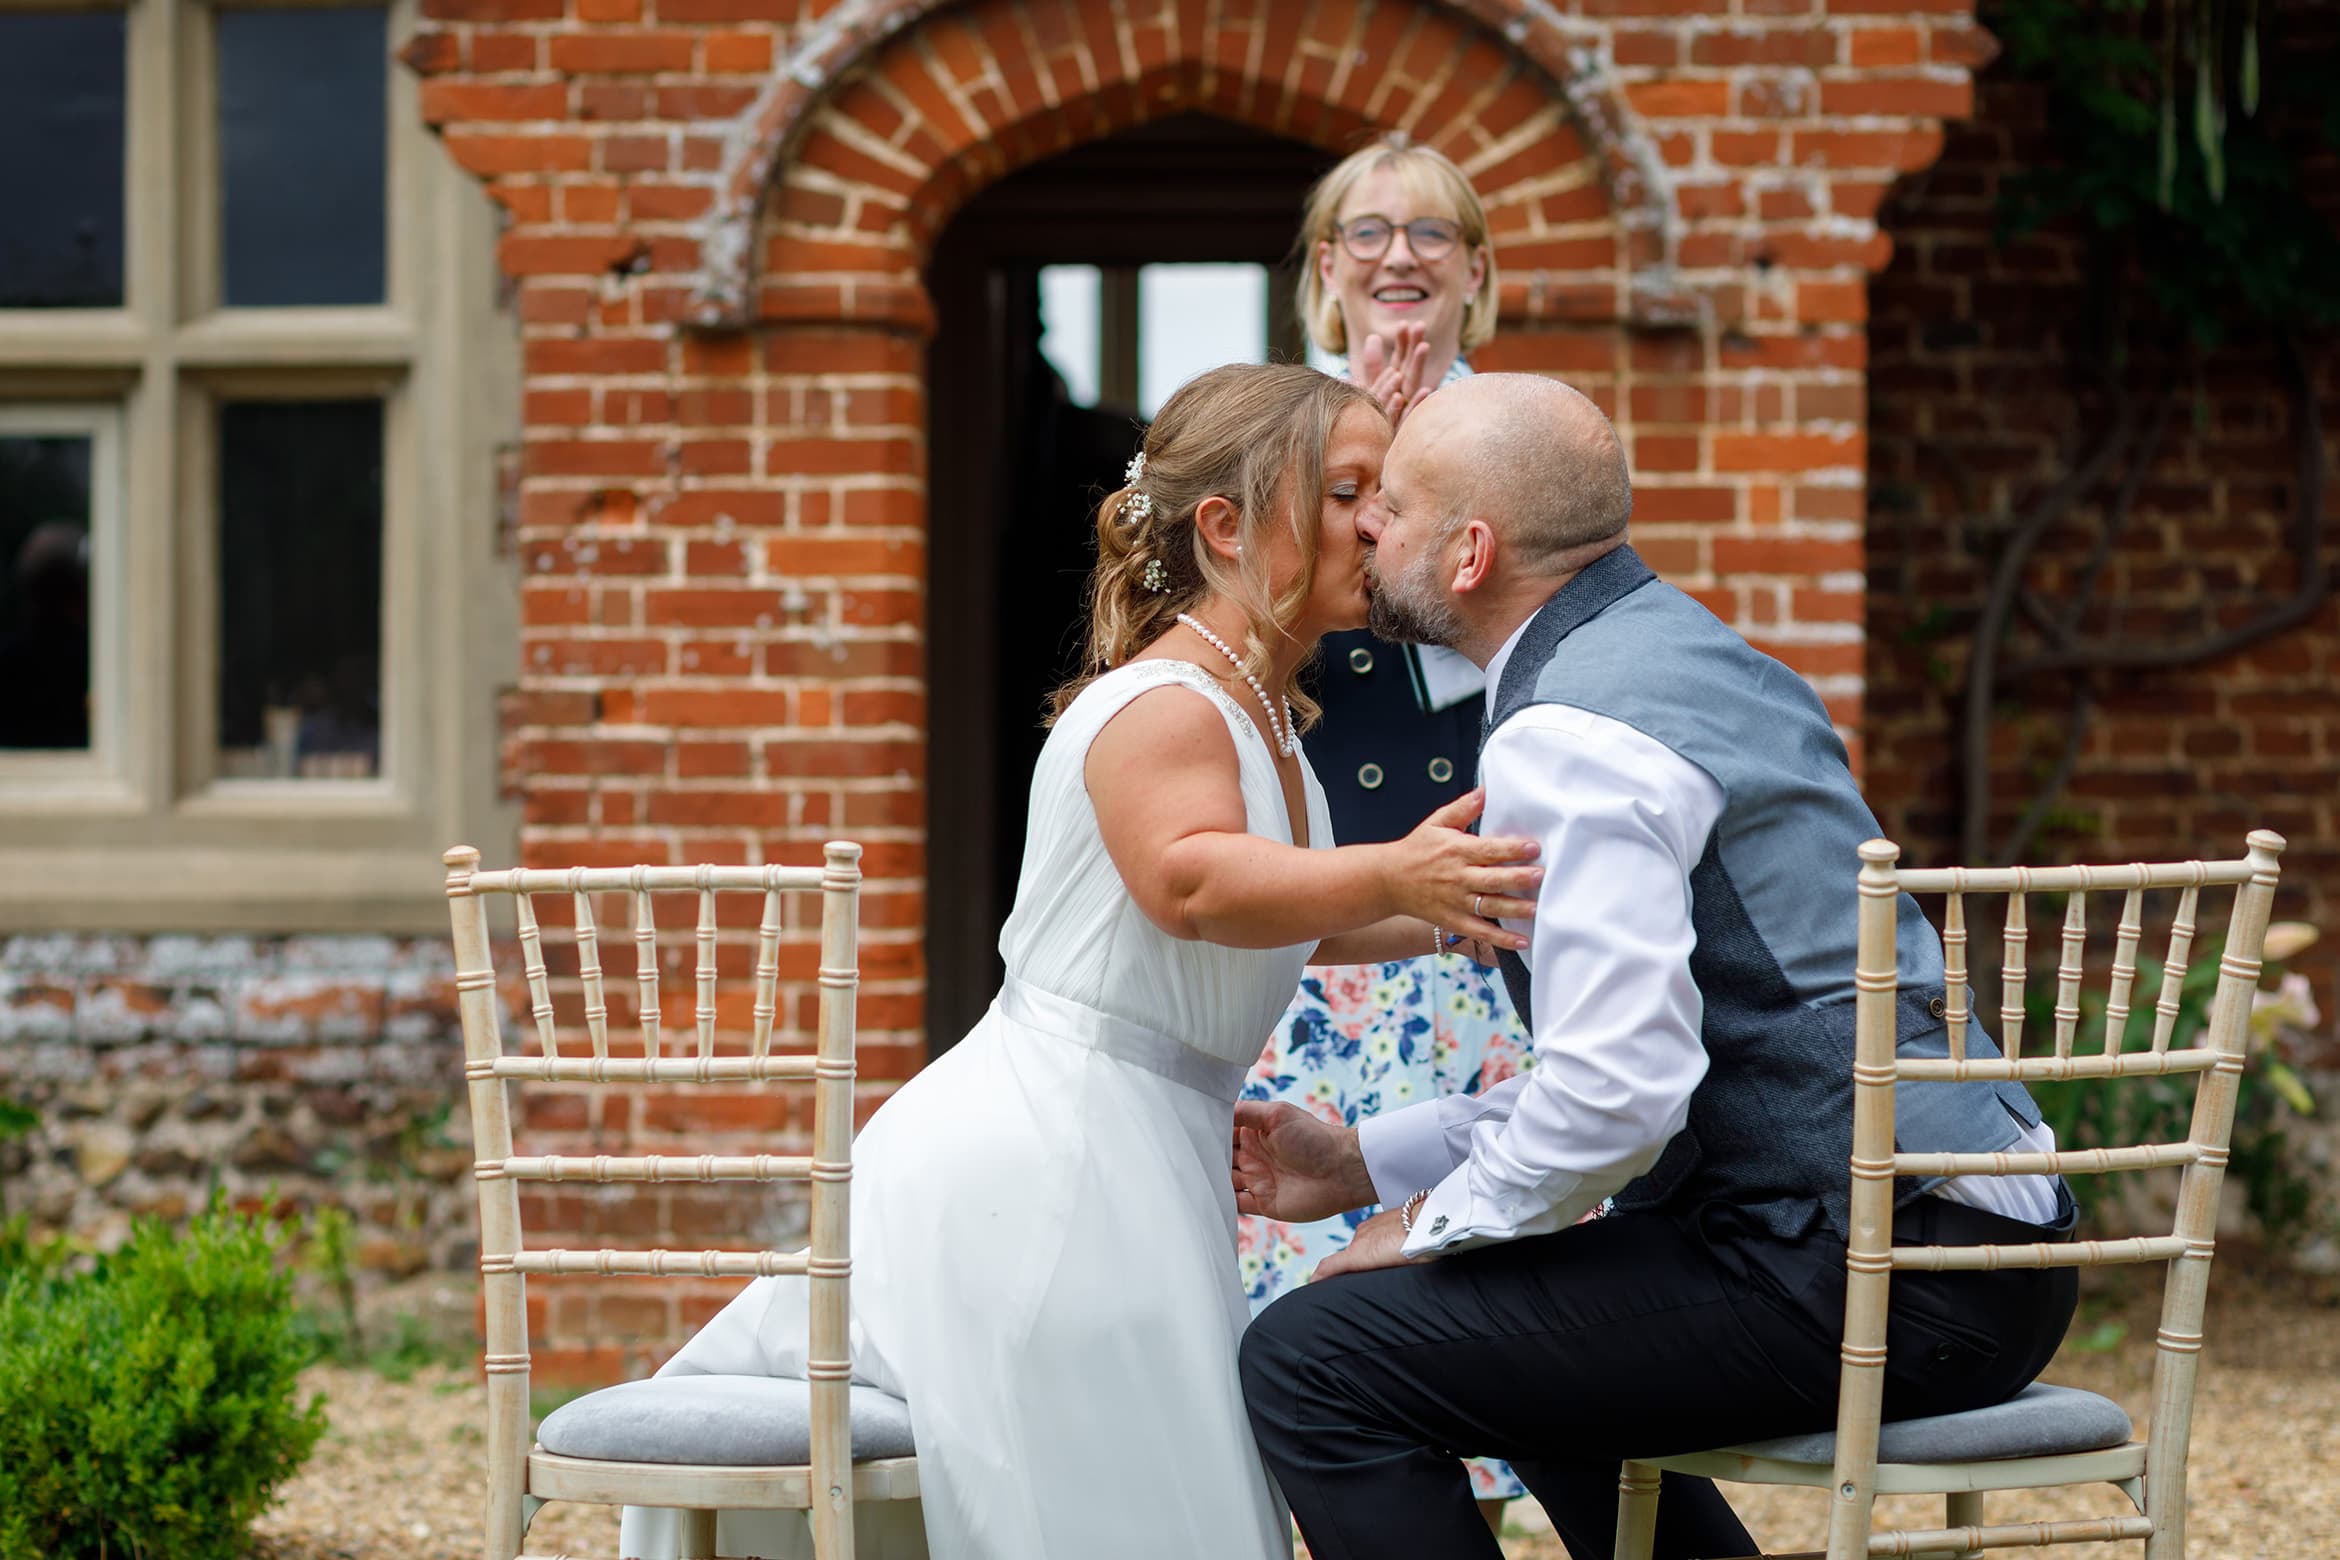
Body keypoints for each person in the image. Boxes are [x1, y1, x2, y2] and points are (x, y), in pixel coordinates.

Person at [615, 363, 1542, 1560]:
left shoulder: (1258, 707)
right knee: (1104, 1507)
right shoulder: (1166, 702)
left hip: (1134, 1148)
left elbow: (1294, 912)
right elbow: (1195, 883)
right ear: (1224, 526)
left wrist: (1454, 907)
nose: (1376, 523)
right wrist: (1395, 873)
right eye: (1348, 489)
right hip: (1048, 1163)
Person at [1231, 373, 2080, 1560]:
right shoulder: (1689, 654)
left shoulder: (1572, 731)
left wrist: (1428, 1222)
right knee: (1508, 1320)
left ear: (1470, 554)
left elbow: (1622, 1096)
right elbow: (1649, 1066)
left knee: (1314, 1358)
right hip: (1980, 1249)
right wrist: (1366, 1161)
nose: (1367, 525)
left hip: (1886, 1279)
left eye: (1395, 506)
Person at [1242, 132, 1538, 1531]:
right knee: (1290, 1318)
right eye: (1367, 233)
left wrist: (1425, 458)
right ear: (1324, 270)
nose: (1400, 256)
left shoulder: (1524, 438)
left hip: (1477, 929)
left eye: (1432, 232)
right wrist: (1343, 462)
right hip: (1318, 931)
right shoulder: (1265, 432)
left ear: (1476, 270)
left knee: (1477, 1327)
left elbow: (1523, 643)